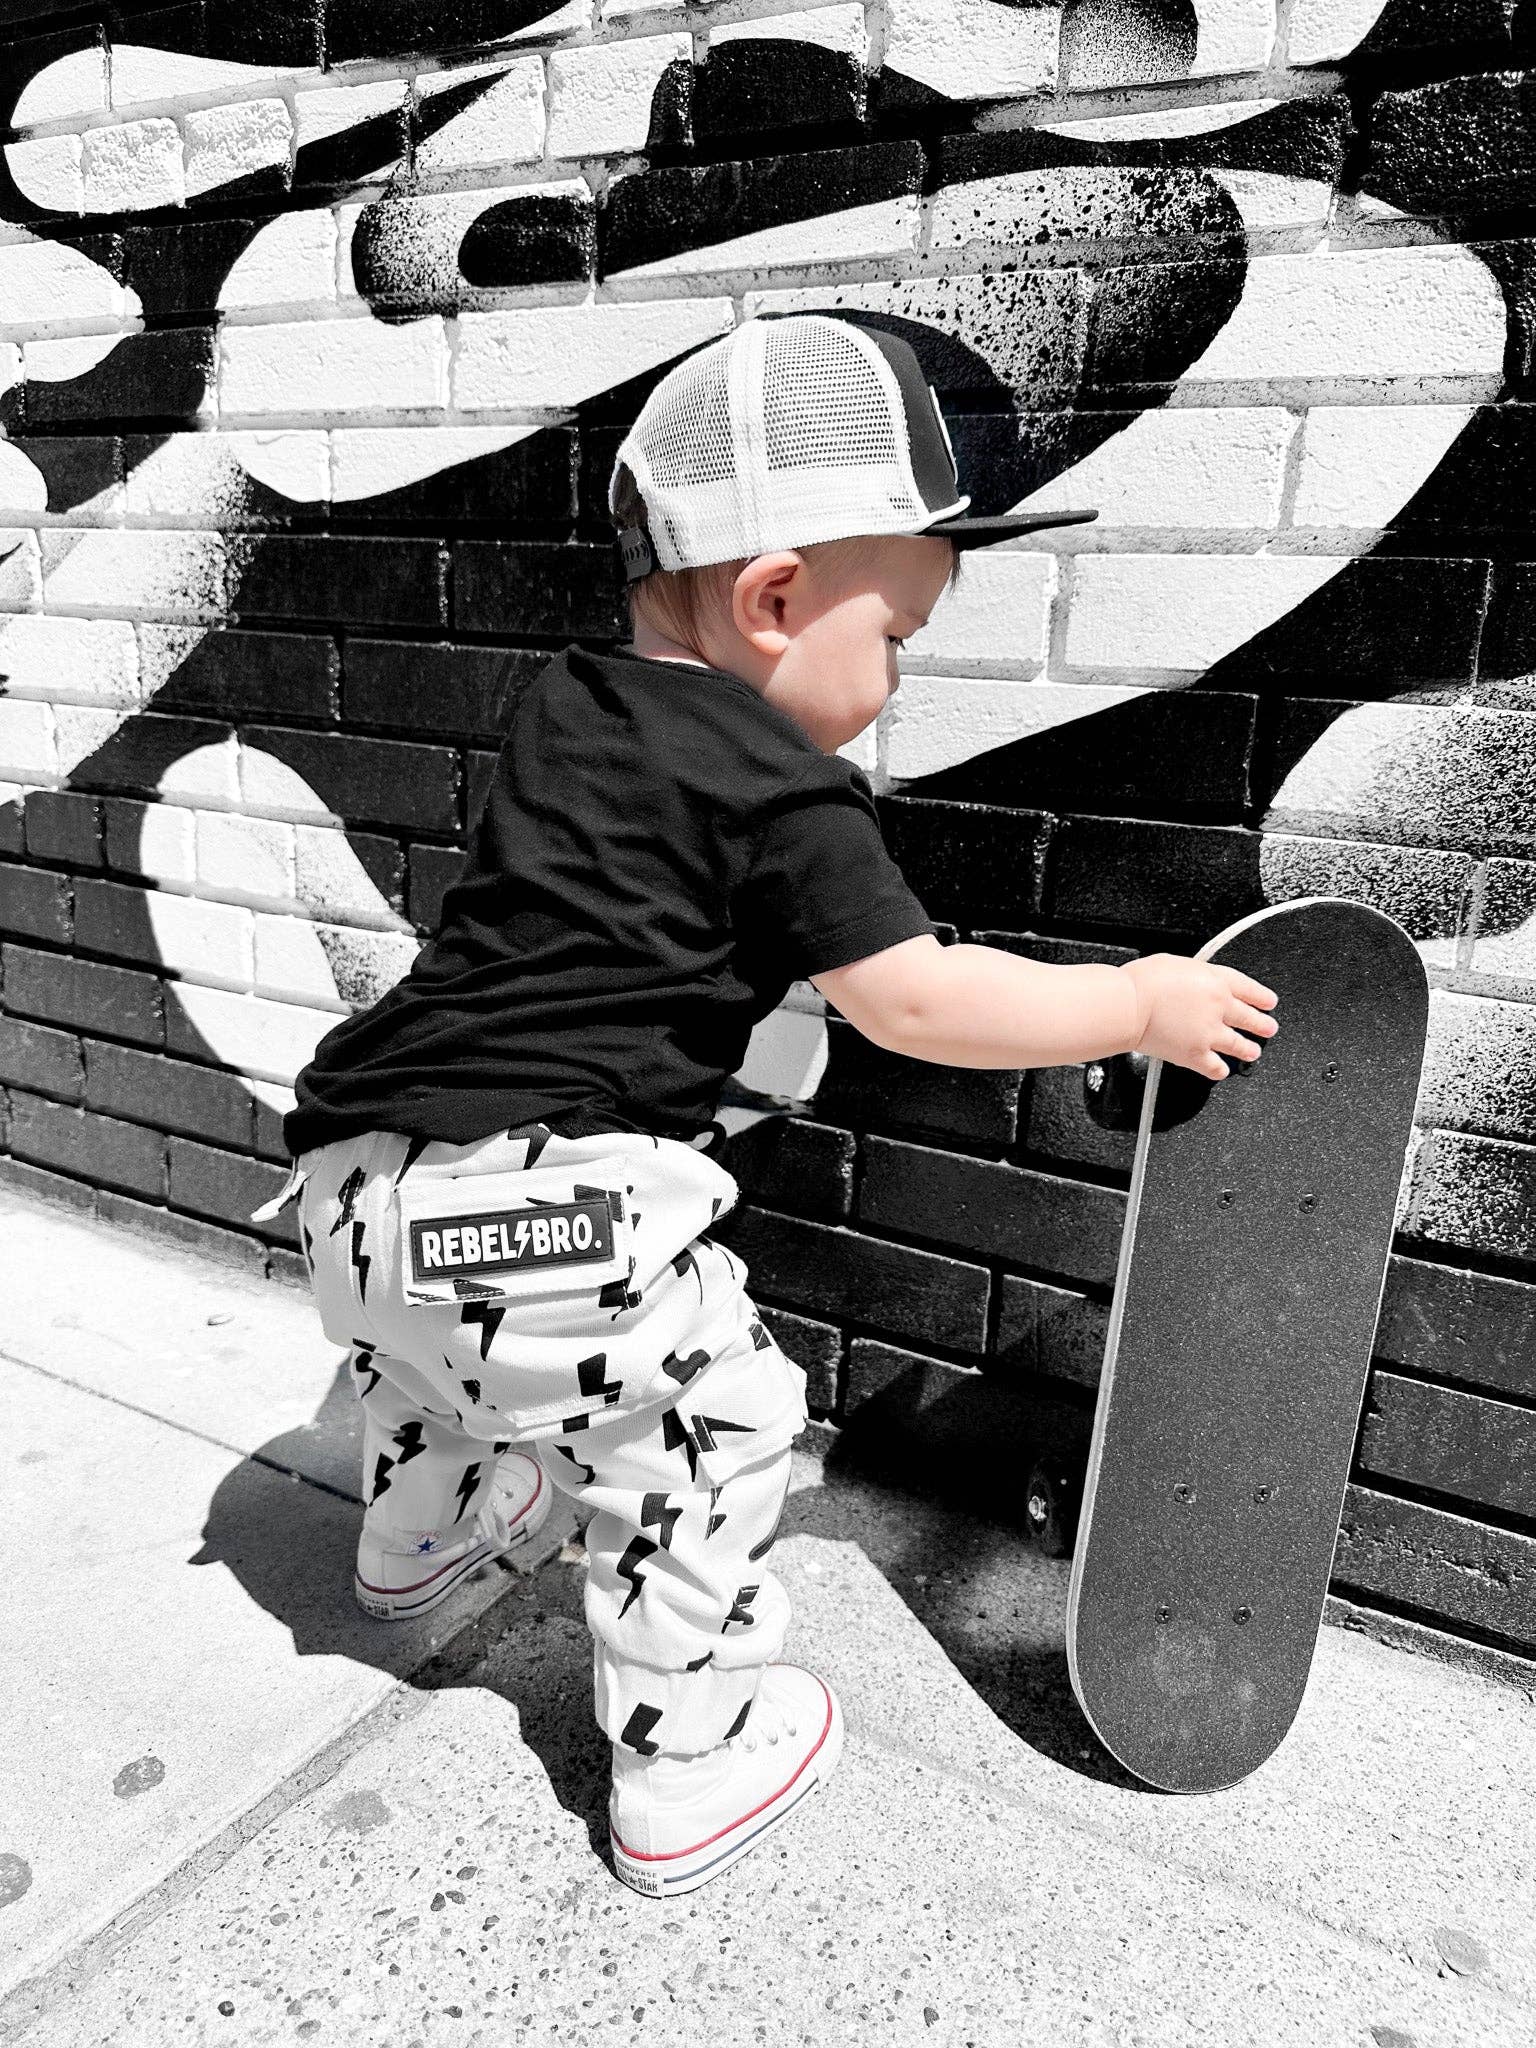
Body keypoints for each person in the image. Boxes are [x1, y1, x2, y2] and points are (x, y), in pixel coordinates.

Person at [254, 312, 1280, 1899]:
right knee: (712, 1429)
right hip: (543, 1214)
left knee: (437, 1364)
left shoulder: (570, 705)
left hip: (350, 1194)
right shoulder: (786, 789)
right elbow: (917, 1000)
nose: (898, 675)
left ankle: (414, 1545)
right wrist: (1139, 1003)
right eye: (898, 636)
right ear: (777, 599)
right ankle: (688, 1763)